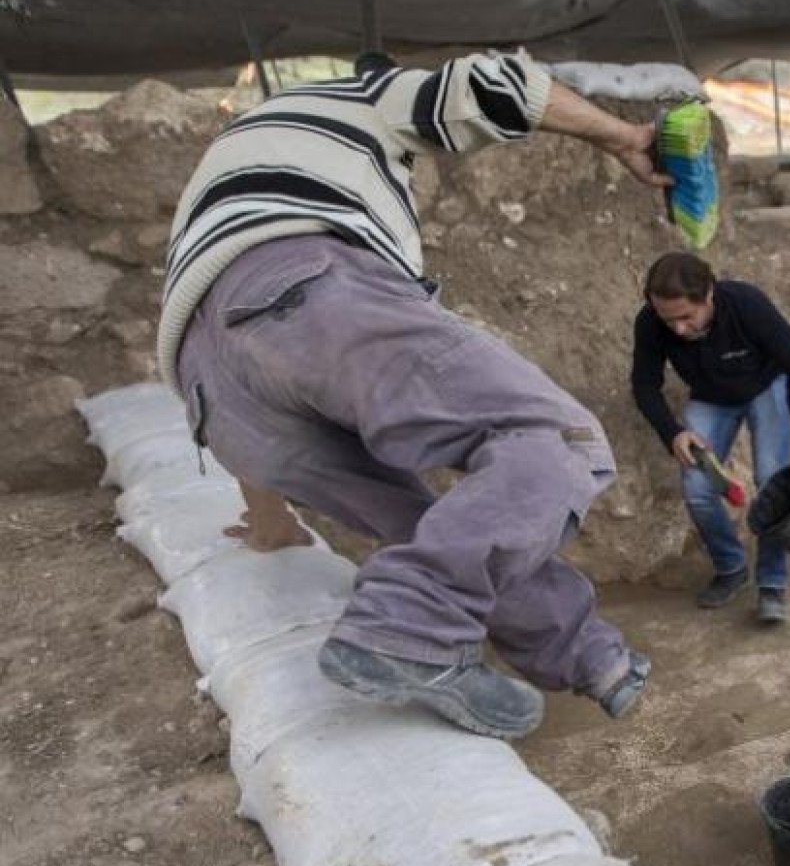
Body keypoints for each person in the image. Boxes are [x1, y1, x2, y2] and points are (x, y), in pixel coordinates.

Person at [161, 50, 670, 741]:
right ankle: (409, 631)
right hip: (301, 288)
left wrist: (271, 522)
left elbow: (239, 334)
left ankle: (589, 657)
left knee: (431, 521)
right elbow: (499, 85)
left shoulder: (242, 158)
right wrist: (625, 138)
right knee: (556, 440)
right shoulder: (365, 96)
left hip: (213, 395)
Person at [630, 253, 790, 626]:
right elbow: (644, 384)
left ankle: (772, 582)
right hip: (711, 398)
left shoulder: (746, 305)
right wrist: (674, 433)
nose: (679, 330)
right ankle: (731, 568)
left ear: (709, 295)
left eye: (686, 317)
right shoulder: (652, 322)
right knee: (697, 486)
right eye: (670, 320)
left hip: (766, 386)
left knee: (773, 479)